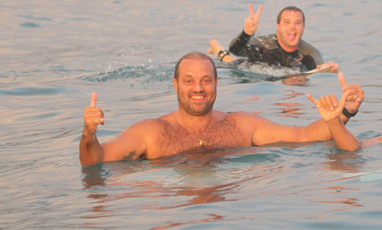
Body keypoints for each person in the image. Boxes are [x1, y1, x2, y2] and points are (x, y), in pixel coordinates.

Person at [80, 52, 363, 166]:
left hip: (227, 217)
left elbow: (305, 136)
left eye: (206, 80)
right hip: (174, 210)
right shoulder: (150, 132)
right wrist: (88, 135)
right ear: (175, 84)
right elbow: (95, 161)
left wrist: (343, 113)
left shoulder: (240, 125)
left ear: (216, 83)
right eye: (189, 81)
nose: (198, 89)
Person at [208, 3, 338, 73]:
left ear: (303, 27)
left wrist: (326, 70)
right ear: (278, 26)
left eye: (297, 23)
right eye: (287, 22)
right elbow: (235, 50)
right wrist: (247, 33)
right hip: (248, 64)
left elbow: (318, 67)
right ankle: (217, 48)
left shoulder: (309, 52)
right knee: (230, 61)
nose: (292, 27)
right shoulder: (264, 44)